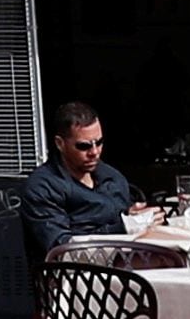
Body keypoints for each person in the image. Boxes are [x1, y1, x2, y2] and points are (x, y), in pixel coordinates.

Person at [21, 101, 135, 261]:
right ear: (60, 144)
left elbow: (124, 217)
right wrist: (124, 227)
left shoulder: (112, 176)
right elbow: (61, 249)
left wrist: (135, 217)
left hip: (122, 265)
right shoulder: (42, 186)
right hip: (73, 277)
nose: (94, 152)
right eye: (83, 146)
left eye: (99, 142)